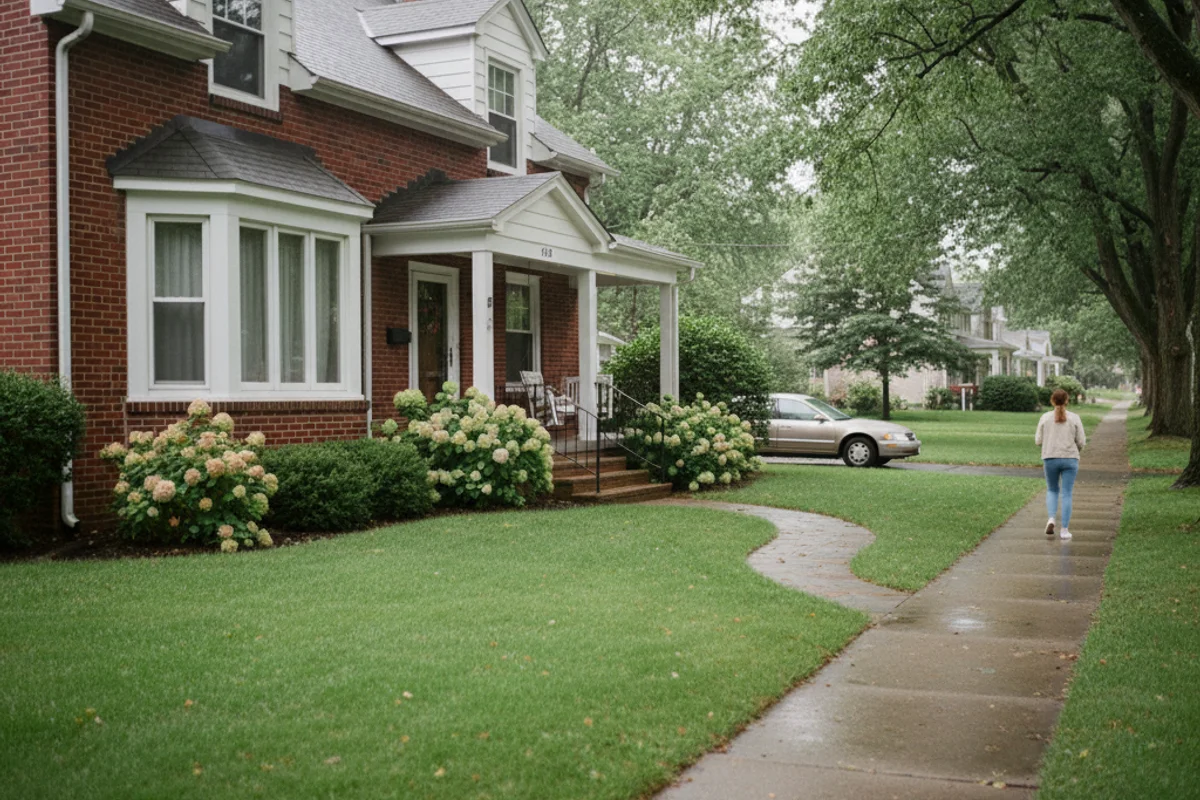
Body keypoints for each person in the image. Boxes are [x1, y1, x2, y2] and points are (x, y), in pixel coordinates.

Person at [1035, 388, 1087, 540]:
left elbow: (1038, 440)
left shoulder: (1045, 418)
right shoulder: (1075, 418)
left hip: (1050, 457)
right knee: (1067, 493)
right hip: (1070, 458)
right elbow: (1081, 441)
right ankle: (1064, 530)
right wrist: (1075, 450)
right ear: (1067, 401)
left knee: (1052, 490)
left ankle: (1051, 518)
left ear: (1052, 400)